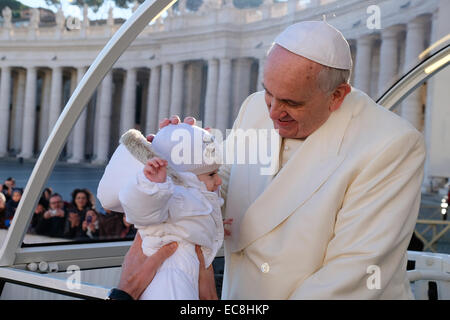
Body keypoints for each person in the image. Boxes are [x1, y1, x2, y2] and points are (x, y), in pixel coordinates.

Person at [154, 21, 426, 299]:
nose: (273, 112)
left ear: (337, 96)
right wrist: (182, 167)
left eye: (291, 103)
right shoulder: (253, 108)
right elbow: (221, 193)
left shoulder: (391, 143)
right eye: (268, 94)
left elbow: (352, 272)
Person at [98, 124, 224, 300]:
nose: (219, 180)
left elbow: (201, 215)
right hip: (170, 268)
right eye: (212, 174)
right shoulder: (172, 194)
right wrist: (150, 185)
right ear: (186, 176)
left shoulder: (192, 195)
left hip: (184, 265)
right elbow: (143, 210)